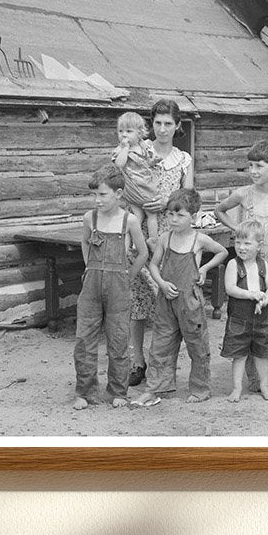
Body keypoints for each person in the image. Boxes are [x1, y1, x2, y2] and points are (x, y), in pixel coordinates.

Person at [213, 140, 268, 387]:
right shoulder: (243, 194)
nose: (253, 171)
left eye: (259, 166)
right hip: (248, 267)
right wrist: (238, 230)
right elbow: (220, 210)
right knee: (249, 320)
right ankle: (253, 376)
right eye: (250, 165)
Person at [131, 189, 227, 407]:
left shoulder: (199, 240)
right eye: (171, 215)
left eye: (180, 215)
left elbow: (222, 252)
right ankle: (156, 388)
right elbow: (154, 265)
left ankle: (200, 389)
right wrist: (162, 284)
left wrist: (203, 269)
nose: (174, 219)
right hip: (167, 301)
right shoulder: (165, 238)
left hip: (190, 303)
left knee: (197, 346)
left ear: (192, 217)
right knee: (160, 345)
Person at [127, 100, 194, 388]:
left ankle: (163, 363)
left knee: (168, 297)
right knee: (137, 297)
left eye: (169, 123)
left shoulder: (184, 159)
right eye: (158, 123)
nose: (163, 128)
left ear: (178, 126)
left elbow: (190, 197)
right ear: (150, 124)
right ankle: (136, 361)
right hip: (139, 228)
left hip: (171, 232)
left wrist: (168, 201)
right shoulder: (141, 151)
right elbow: (125, 181)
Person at [73, 166, 148, 410]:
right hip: (91, 286)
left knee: (118, 339)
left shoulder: (130, 221)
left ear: (118, 193)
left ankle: (117, 390)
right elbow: (85, 242)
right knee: (84, 340)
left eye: (103, 195)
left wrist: (128, 276)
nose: (97, 200)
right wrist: (89, 267)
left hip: (119, 287)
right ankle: (85, 392)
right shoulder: (89, 218)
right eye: (94, 194)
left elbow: (143, 252)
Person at [220, 219, 268, 403]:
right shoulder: (233, 265)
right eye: (237, 242)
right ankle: (237, 387)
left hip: (261, 318)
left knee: (262, 354)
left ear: (259, 246)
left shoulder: (263, 265)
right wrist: (251, 294)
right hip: (239, 319)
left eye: (247, 243)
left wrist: (265, 299)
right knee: (239, 354)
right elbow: (230, 288)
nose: (241, 247)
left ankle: (264, 385)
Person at [112, 111, 160, 244]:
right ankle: (135, 241)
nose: (124, 134)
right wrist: (125, 149)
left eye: (129, 131)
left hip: (147, 185)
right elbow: (119, 164)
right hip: (133, 188)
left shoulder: (144, 146)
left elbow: (148, 163)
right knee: (136, 215)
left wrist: (155, 160)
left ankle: (152, 239)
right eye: (120, 131)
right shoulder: (120, 150)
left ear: (139, 133)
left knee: (150, 214)